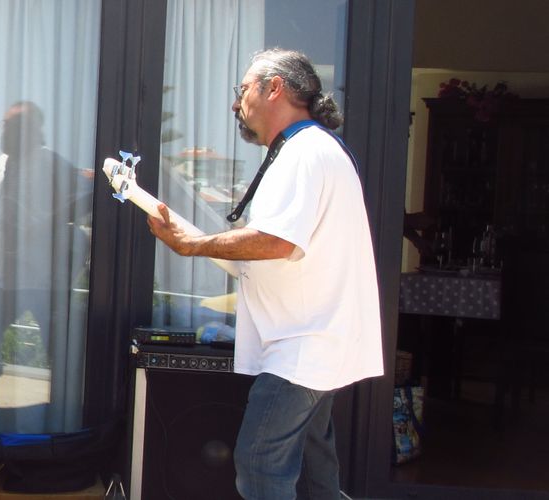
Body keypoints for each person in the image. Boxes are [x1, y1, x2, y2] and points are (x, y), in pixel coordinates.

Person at [145, 48, 383, 499]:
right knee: (314, 473)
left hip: (302, 349)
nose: (236, 104)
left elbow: (276, 242)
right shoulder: (311, 149)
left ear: (274, 88)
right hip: (315, 345)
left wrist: (193, 245)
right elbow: (268, 251)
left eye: (242, 90)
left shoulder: (304, 152)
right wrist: (192, 237)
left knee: (259, 465)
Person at [0, 101, 93, 430]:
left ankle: (65, 412)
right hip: (10, 276)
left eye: (11, 126)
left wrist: (48, 222)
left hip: (46, 277)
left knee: (57, 347)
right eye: (4, 125)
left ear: (32, 130)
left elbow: (88, 196)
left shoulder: (52, 164)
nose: (3, 132)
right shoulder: (2, 165)